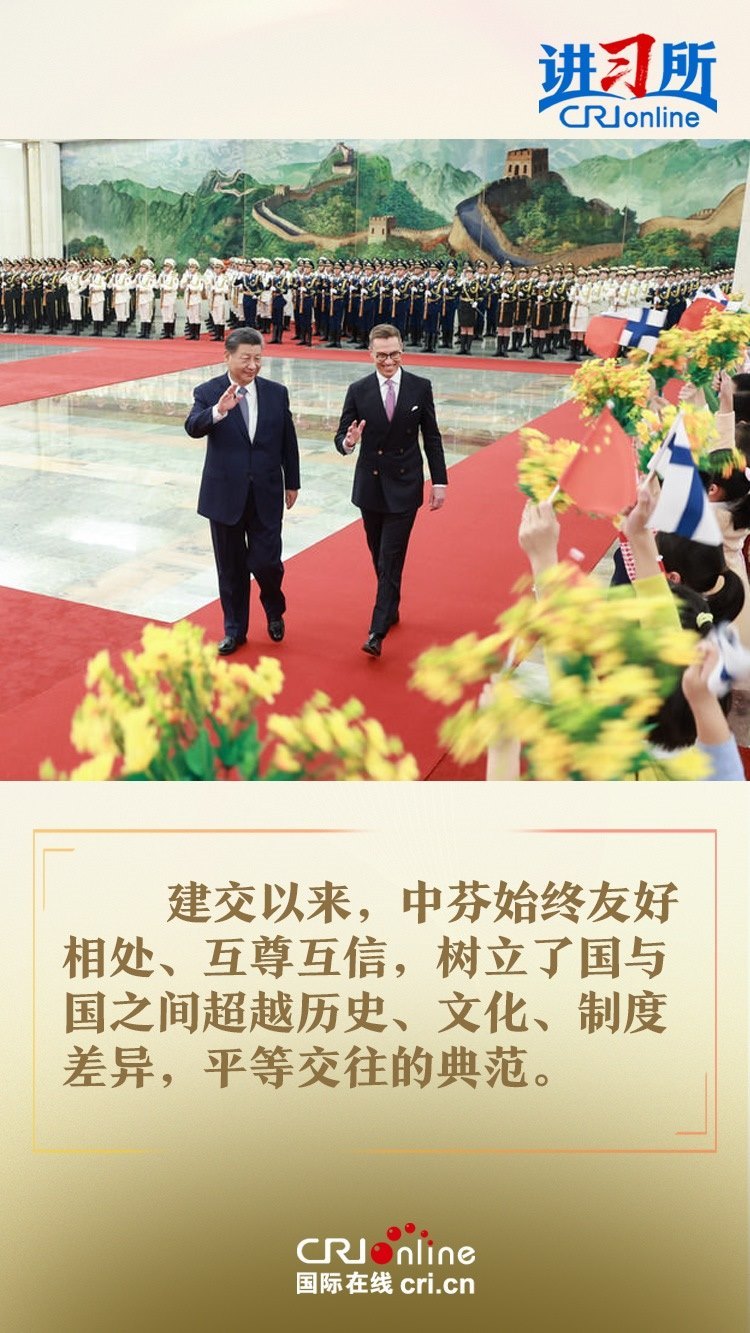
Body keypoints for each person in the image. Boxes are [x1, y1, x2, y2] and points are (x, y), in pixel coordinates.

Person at [334, 323, 447, 657]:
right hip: (370, 484)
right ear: (370, 354)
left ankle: (377, 630)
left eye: (394, 354)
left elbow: (432, 437)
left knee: (390, 555)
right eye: (381, 355)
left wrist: (439, 481)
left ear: (402, 352)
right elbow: (342, 436)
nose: (388, 361)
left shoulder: (420, 387)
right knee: (378, 554)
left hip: (405, 483)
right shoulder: (358, 390)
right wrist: (348, 442)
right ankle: (391, 604)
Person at [184, 328, 300, 655]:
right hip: (224, 495)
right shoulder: (209, 392)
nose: (252, 365)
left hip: (266, 492)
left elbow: (288, 441)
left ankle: (274, 607)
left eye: (258, 358)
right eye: (245, 358)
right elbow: (193, 427)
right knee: (231, 568)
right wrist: (218, 412)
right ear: (227, 357)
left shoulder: (276, 393)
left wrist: (292, 482)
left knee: (266, 562)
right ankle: (235, 630)